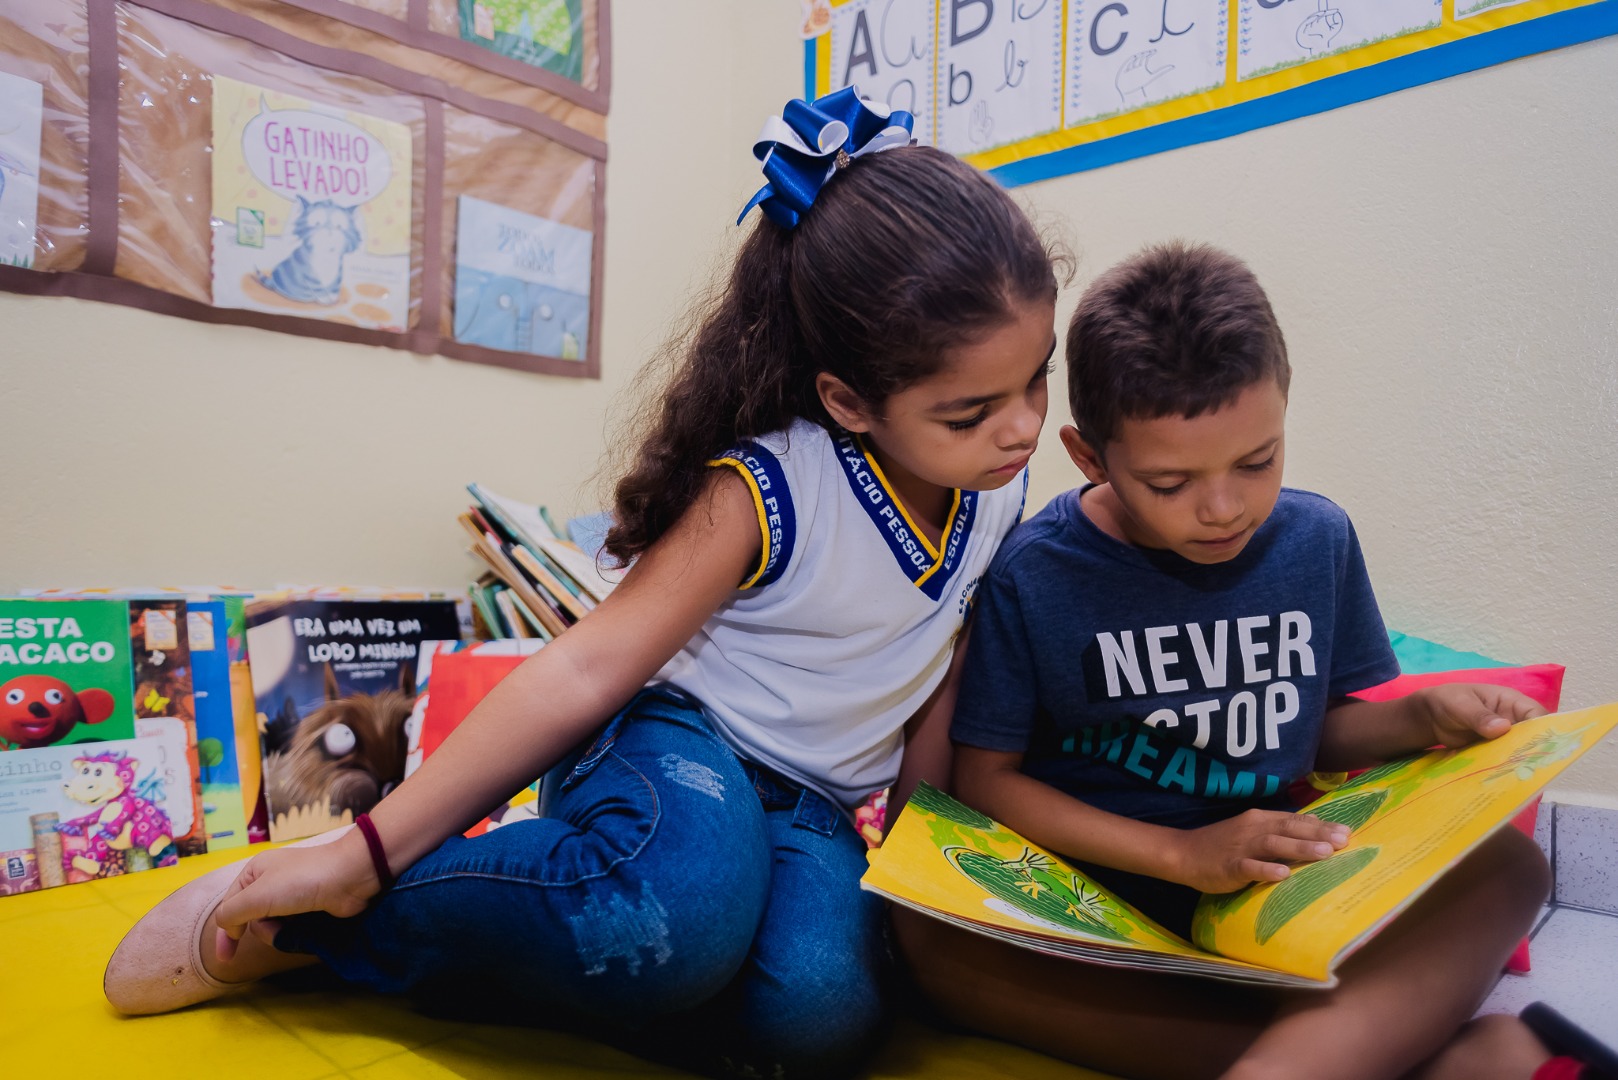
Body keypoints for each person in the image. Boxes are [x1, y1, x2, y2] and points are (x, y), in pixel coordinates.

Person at [103, 89, 1062, 1080]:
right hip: (670, 735)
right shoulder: (770, 484)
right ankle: (329, 925)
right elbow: (585, 669)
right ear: (847, 400)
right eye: (971, 411)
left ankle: (568, 932)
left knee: (819, 1020)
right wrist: (361, 854)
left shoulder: (998, 488)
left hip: (812, 798)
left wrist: (917, 857)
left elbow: (945, 672)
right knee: (673, 917)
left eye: (1037, 377)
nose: (1021, 428)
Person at [897, 241, 1579, 1080]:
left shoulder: (1315, 540)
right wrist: (1184, 856)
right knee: (945, 963)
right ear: (1089, 457)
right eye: (1170, 483)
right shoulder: (1038, 574)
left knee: (1510, 865)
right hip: (1100, 910)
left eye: (1258, 462)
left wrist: (1422, 718)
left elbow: (1317, 734)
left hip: (1266, 898)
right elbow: (986, 782)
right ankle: (1427, 1056)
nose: (1224, 509)